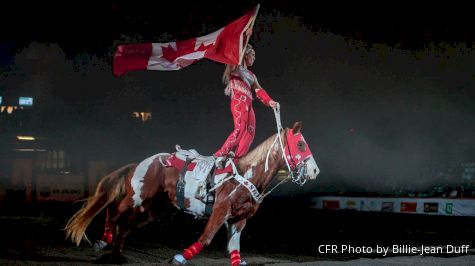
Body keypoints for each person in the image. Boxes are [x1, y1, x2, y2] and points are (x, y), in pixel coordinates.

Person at [214, 43, 278, 168]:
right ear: (245, 54)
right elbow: (239, 53)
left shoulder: (252, 75)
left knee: (250, 133)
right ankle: (221, 154)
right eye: (252, 55)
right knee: (240, 128)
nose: (254, 58)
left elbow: (259, 90)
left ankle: (237, 158)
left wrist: (270, 101)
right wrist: (245, 36)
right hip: (239, 101)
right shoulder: (235, 67)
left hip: (249, 104)